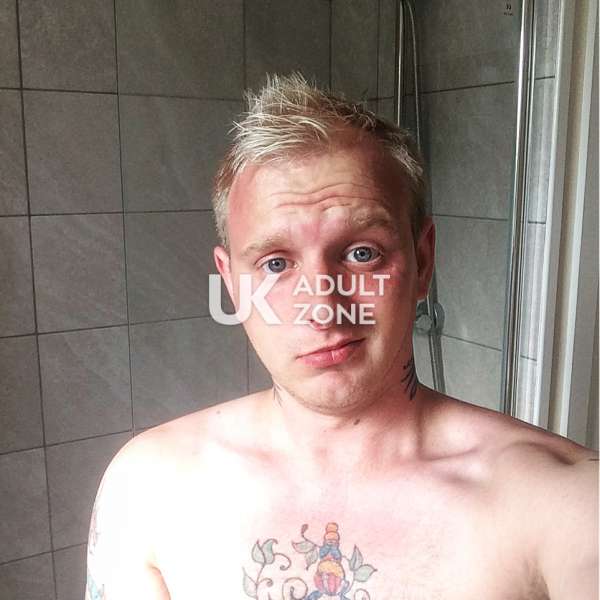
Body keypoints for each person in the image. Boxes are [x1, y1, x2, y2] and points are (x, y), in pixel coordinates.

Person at [85, 74, 598, 600]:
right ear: (233, 285)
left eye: (361, 253)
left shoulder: (563, 504)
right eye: (276, 264)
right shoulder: (147, 488)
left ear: (423, 260)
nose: (323, 308)